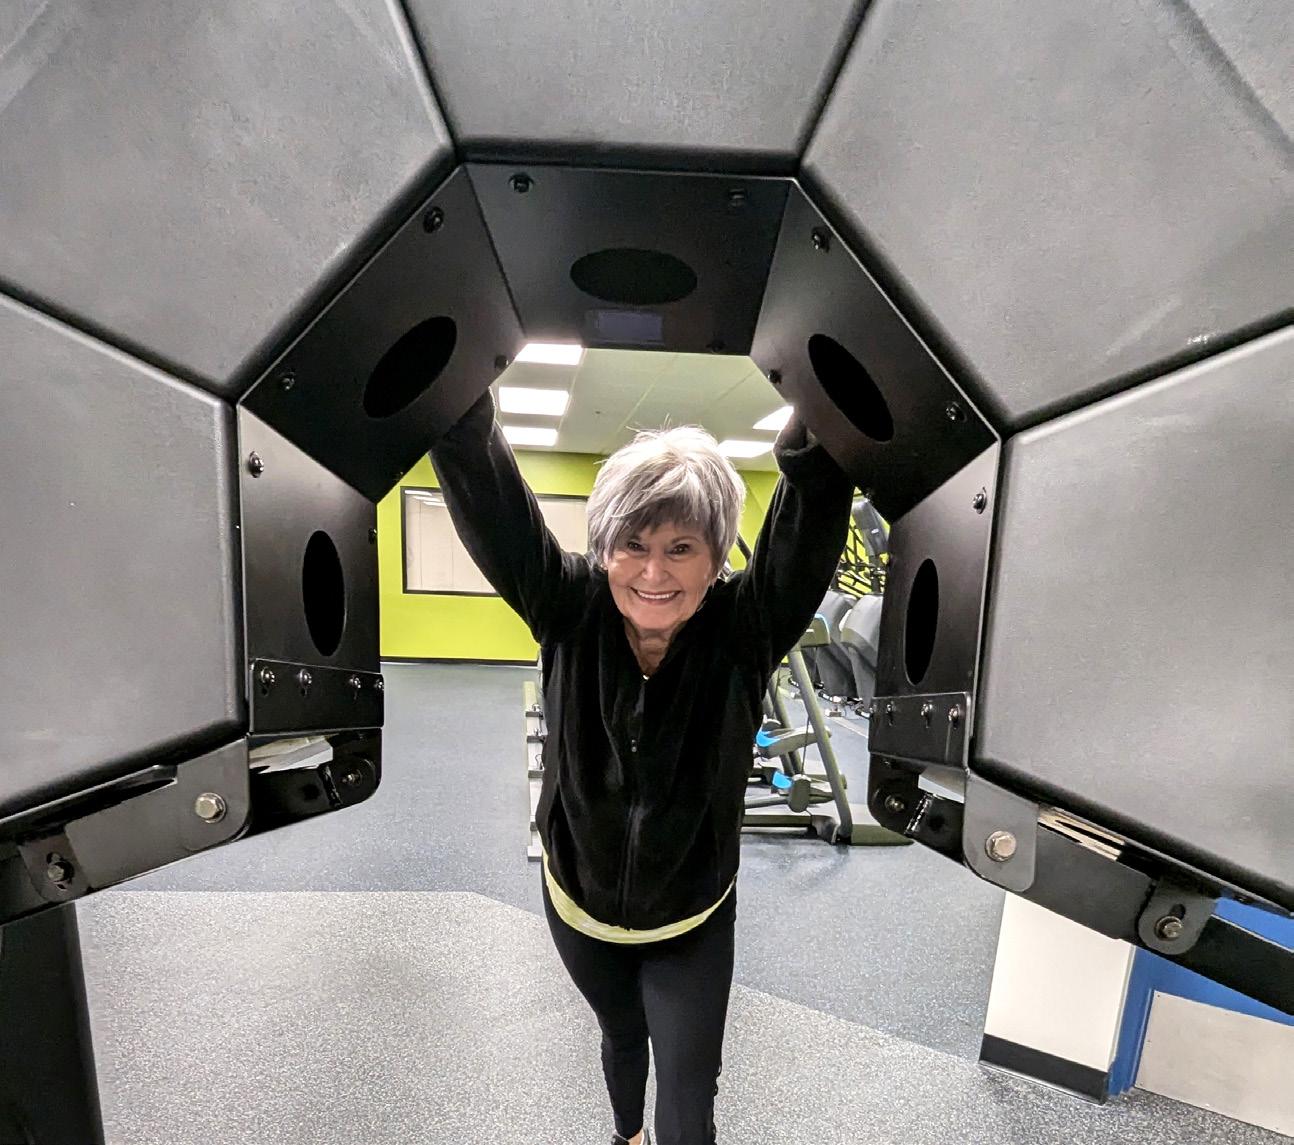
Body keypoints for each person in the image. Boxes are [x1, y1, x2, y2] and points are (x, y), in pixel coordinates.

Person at [430, 389, 854, 1145]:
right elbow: (488, 493)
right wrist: (454, 396)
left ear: (715, 558)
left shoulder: (745, 628)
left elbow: (811, 509)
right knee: (623, 1037)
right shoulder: (567, 604)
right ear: (604, 548)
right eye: (634, 544)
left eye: (682, 548)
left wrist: (822, 415)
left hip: (691, 915)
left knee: (688, 1096)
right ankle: (624, 1134)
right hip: (580, 907)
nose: (655, 572)